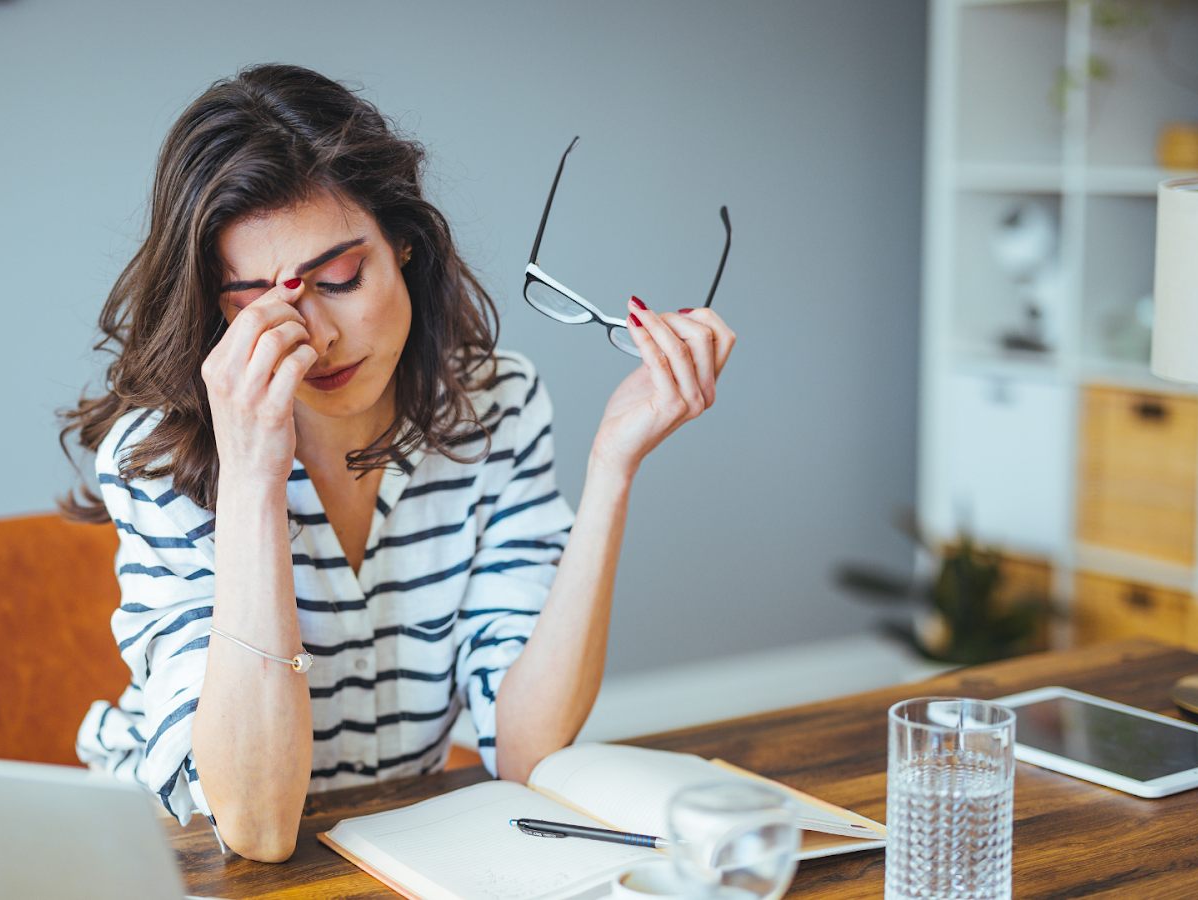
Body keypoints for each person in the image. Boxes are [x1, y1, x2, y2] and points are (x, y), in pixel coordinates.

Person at [63, 64, 735, 863]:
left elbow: (526, 753)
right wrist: (250, 479)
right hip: (176, 858)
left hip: (389, 850)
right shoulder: (157, 459)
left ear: (405, 242)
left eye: (341, 278)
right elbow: (257, 826)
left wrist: (612, 470)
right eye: (259, 305)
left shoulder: (494, 407)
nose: (318, 336)